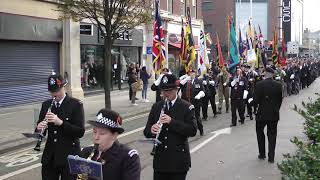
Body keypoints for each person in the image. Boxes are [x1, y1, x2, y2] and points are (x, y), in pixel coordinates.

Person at [144, 74, 197, 180]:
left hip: (178, 162)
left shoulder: (186, 107)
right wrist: (152, 130)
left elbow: (192, 130)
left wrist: (171, 122)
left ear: (176, 89)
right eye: (163, 91)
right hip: (160, 162)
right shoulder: (157, 107)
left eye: (168, 91)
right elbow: (146, 131)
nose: (165, 94)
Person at [36, 73, 85, 180]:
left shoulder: (76, 104)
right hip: (50, 156)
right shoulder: (46, 105)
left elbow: (80, 132)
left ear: (64, 87)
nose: (55, 94)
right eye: (52, 92)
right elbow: (40, 131)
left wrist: (61, 123)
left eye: (57, 91)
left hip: (69, 156)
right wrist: (40, 128)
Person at [75, 108, 141, 180]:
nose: (96, 137)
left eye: (102, 133)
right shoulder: (86, 152)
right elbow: (81, 178)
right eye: (94, 132)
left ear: (114, 136)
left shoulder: (128, 157)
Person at [254, 67, 283, 163]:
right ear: (272, 75)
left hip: (261, 114)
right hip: (274, 114)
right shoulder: (278, 85)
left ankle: (262, 154)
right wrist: (276, 109)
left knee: (259, 133)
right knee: (272, 135)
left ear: (265, 74)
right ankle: (271, 157)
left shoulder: (259, 85)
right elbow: (280, 101)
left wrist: (250, 102)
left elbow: (256, 101)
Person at [180, 70, 205, 136]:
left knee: (197, 117)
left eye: (192, 73)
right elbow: (179, 86)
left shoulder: (198, 81)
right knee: (186, 118)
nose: (191, 74)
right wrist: (184, 79)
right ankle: (188, 132)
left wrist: (199, 95)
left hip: (196, 102)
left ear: (195, 74)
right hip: (186, 102)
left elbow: (203, 91)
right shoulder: (185, 82)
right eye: (189, 73)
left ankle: (201, 129)